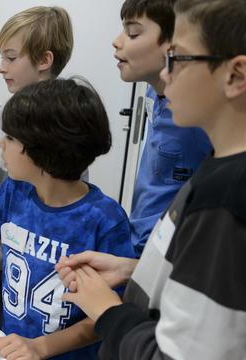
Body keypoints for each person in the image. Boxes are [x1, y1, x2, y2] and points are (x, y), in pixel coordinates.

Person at [57, 1, 246, 358]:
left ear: (235, 76)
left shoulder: (226, 197)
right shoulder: (217, 166)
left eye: (178, 59)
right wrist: (133, 268)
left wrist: (108, 311)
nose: (167, 73)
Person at [0, 79, 136, 359]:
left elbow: (108, 314)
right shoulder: (15, 191)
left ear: (41, 150)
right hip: (16, 347)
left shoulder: (104, 220)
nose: (1, 144)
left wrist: (42, 347)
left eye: (10, 138)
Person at [0, 6, 74, 330]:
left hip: (42, 266)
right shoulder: (8, 112)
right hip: (2, 255)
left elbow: (71, 199)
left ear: (44, 60)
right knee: (5, 331)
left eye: (11, 58)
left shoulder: (65, 118)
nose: (1, 68)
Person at [113, 0, 212, 256]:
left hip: (174, 257)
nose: (117, 41)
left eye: (133, 33)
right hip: (141, 247)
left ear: (174, 44)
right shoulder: (153, 92)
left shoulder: (197, 117)